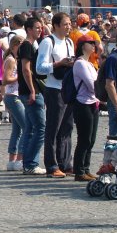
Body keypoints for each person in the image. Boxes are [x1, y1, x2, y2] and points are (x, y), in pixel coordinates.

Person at [36, 12, 75, 178]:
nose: (68, 26)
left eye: (69, 23)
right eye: (65, 24)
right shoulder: (48, 42)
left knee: (67, 128)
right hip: (54, 89)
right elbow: (39, 68)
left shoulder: (69, 41)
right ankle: (52, 166)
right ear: (56, 25)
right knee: (53, 129)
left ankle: (65, 163)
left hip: (68, 89)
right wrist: (59, 63)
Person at [18, 17, 47, 175]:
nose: (40, 30)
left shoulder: (31, 45)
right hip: (30, 91)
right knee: (40, 128)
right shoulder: (27, 46)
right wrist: (33, 90)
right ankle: (31, 163)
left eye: (41, 27)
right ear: (28, 29)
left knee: (30, 128)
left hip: (28, 90)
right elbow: (26, 69)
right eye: (37, 28)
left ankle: (28, 163)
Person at [72, 34, 100, 182]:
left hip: (93, 103)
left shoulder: (89, 63)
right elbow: (92, 84)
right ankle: (79, 171)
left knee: (92, 139)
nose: (94, 45)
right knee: (84, 138)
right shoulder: (80, 63)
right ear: (83, 46)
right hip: (83, 104)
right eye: (91, 43)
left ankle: (86, 168)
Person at [2, 35, 25, 171]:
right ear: (14, 45)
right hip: (13, 96)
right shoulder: (11, 60)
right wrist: (20, 76)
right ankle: (20, 159)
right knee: (27, 127)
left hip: (13, 95)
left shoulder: (16, 59)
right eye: (21, 44)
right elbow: (5, 80)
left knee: (17, 130)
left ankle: (12, 160)